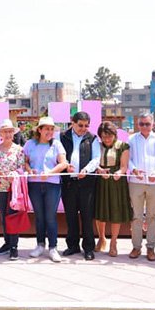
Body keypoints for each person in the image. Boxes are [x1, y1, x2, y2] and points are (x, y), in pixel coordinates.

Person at [24, 116, 67, 263]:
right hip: (34, 185)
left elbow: (63, 164)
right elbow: (24, 162)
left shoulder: (57, 145)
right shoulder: (30, 144)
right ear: (39, 130)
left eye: (51, 129)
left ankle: (53, 247)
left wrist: (49, 173)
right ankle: (40, 245)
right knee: (39, 216)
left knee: (50, 216)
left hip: (52, 185)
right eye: (46, 129)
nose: (49, 131)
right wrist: (30, 170)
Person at [59, 111, 100, 260]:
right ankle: (72, 246)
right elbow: (58, 156)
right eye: (80, 125)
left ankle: (88, 248)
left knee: (87, 216)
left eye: (86, 125)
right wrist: (64, 166)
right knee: (71, 216)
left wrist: (87, 170)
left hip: (86, 183)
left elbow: (96, 159)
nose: (84, 128)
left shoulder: (93, 138)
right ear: (72, 122)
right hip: (68, 183)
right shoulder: (62, 137)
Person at [127, 112, 155, 262]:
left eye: (147, 124)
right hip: (135, 182)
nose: (144, 126)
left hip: (154, 183)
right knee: (136, 216)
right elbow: (128, 159)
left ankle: (151, 247)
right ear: (137, 124)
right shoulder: (131, 139)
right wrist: (134, 170)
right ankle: (136, 247)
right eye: (141, 124)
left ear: (153, 124)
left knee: (152, 216)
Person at [94, 121, 132, 258]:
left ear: (115, 134)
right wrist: (99, 170)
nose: (107, 139)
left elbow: (124, 166)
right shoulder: (96, 146)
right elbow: (94, 162)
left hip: (117, 182)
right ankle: (101, 238)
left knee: (116, 211)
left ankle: (113, 242)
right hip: (101, 181)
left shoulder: (123, 146)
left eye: (109, 136)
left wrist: (119, 173)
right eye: (103, 137)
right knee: (100, 211)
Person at [0, 119, 25, 260]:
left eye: (10, 131)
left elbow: (22, 167)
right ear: (1, 133)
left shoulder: (19, 150)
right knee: (3, 216)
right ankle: (7, 242)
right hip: (0, 187)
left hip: (14, 188)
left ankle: (14, 246)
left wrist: (15, 174)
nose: (8, 134)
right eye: (5, 131)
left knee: (13, 216)